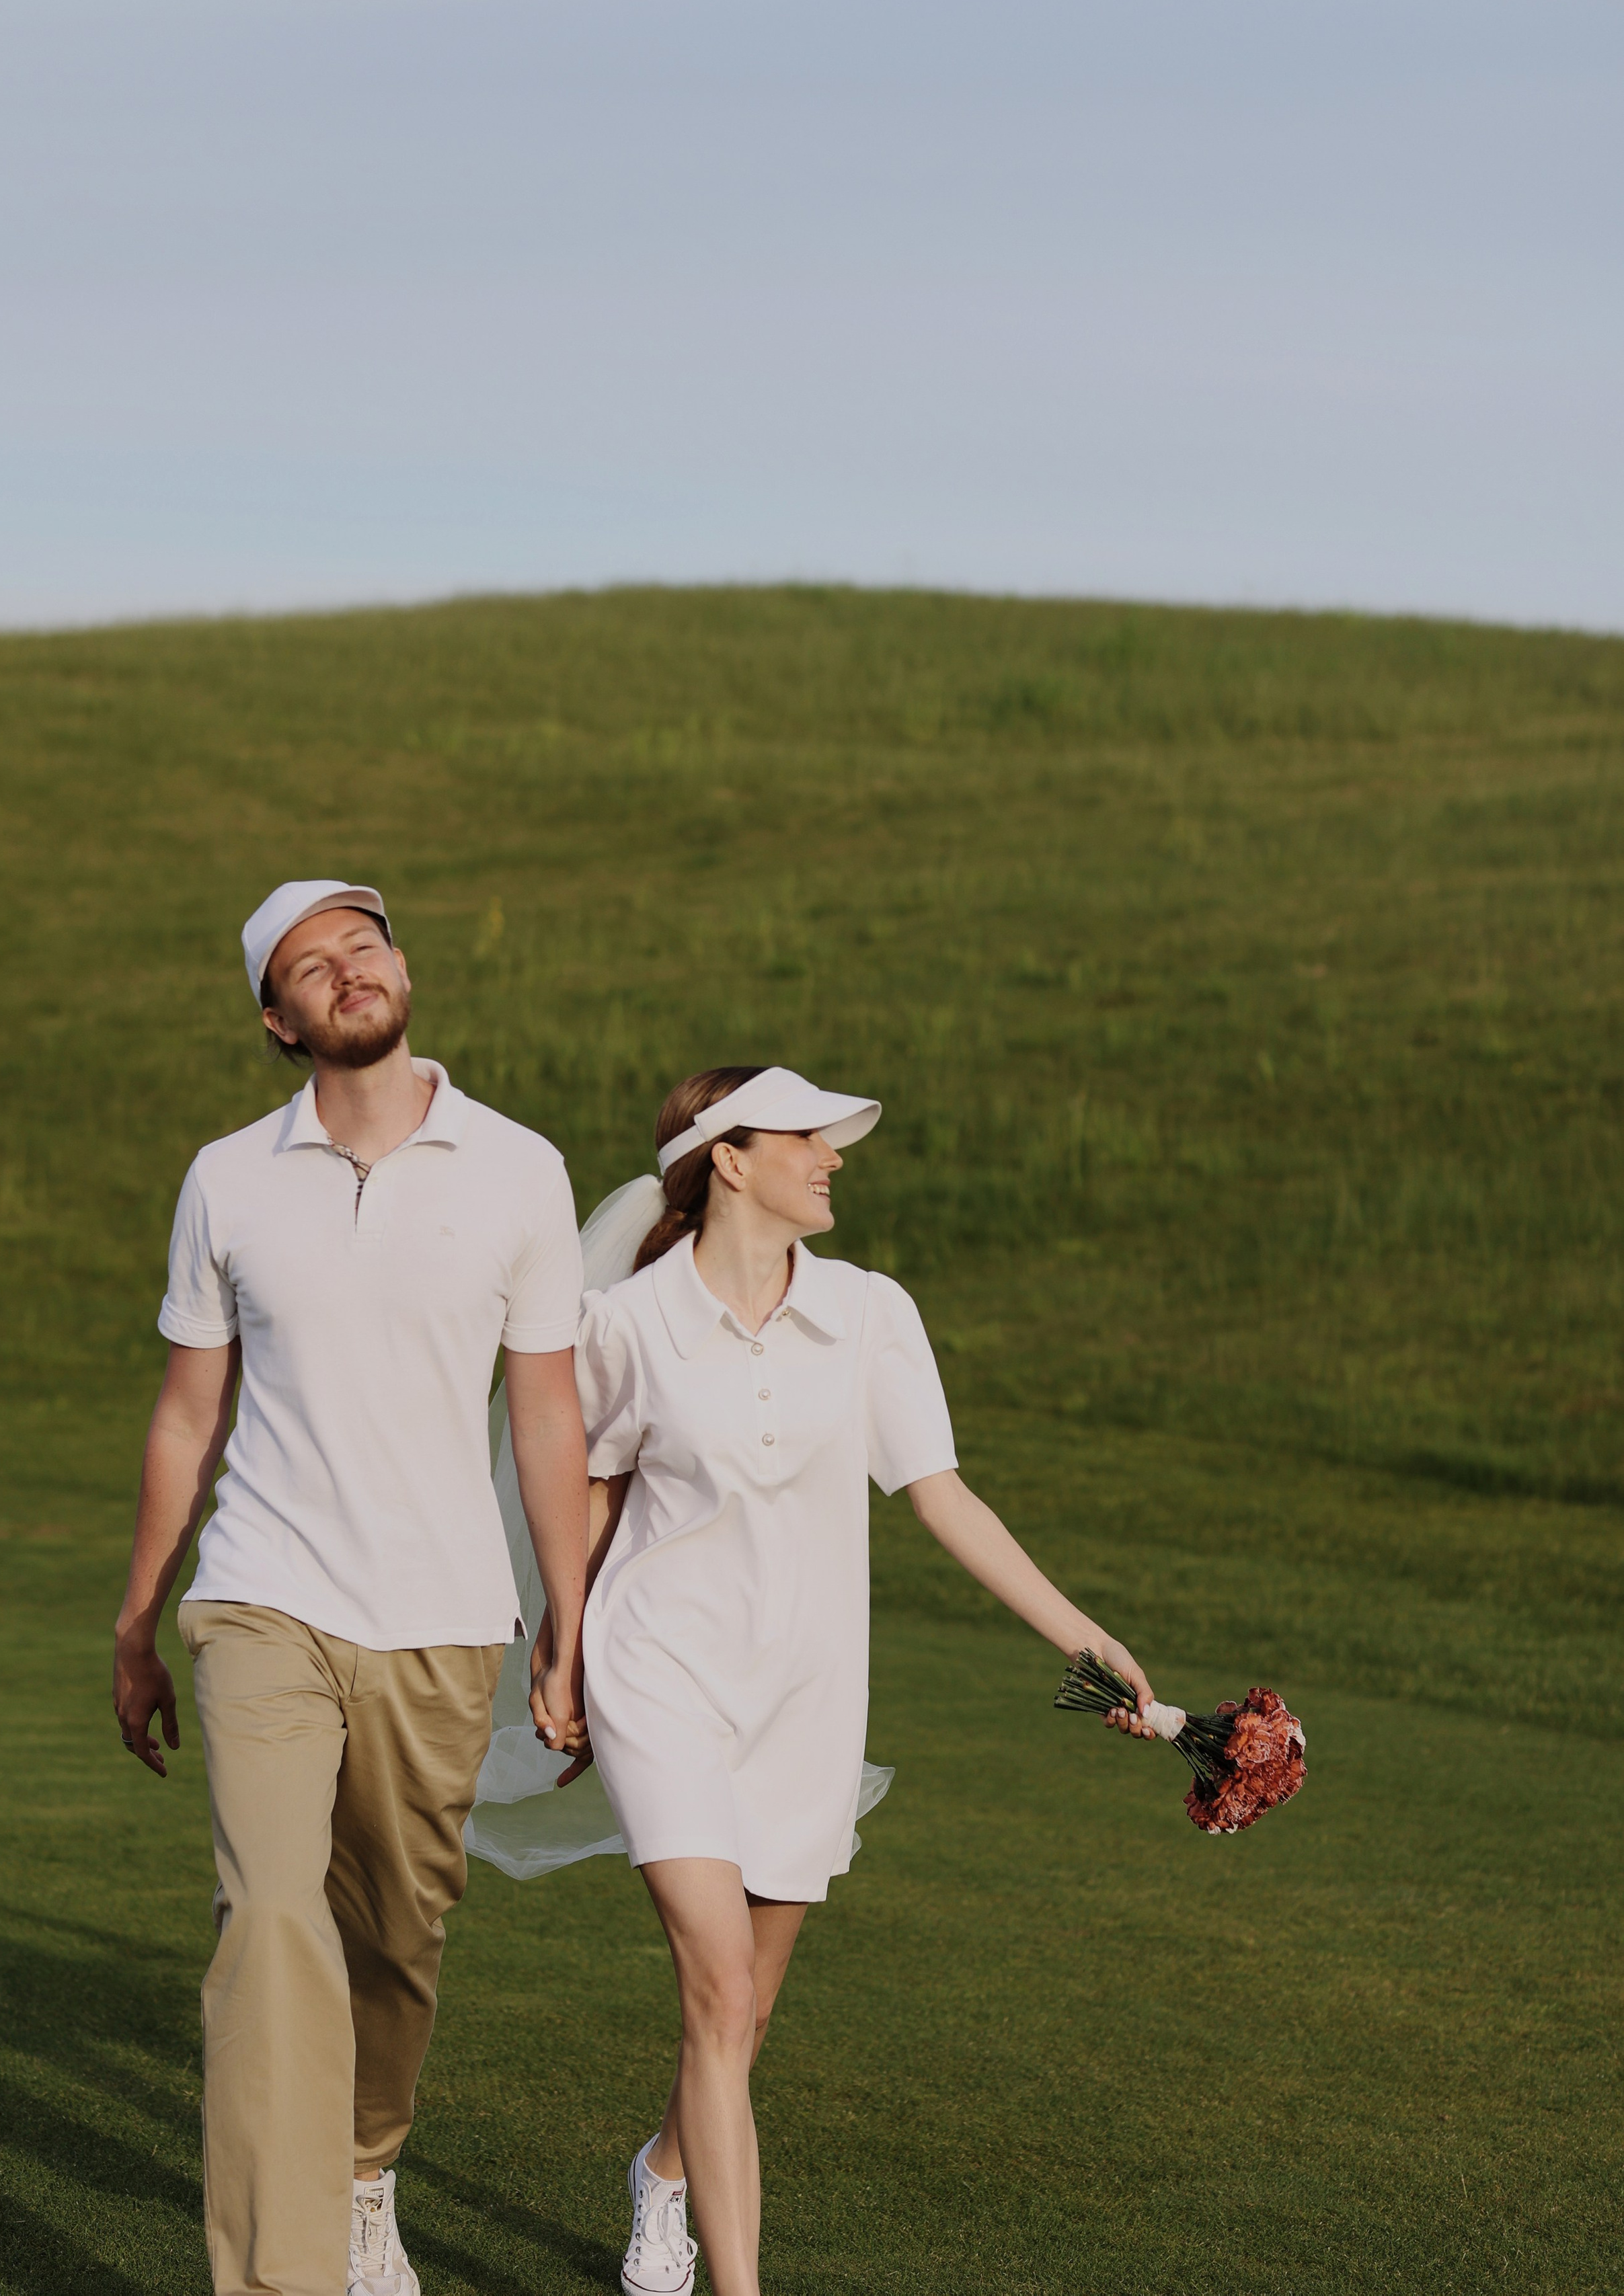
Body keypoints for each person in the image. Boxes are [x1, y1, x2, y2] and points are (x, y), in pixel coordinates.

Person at [552, 1065, 1163, 2296]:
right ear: (730, 1159)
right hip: (659, 1670)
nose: (832, 1156)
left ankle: (664, 2174)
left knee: (746, 2015)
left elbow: (944, 1496)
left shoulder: (873, 1311)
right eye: (806, 1136)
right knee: (718, 1987)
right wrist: (562, 1653)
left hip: (810, 1694)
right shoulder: (625, 1323)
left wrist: (1082, 1636)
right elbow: (593, 1494)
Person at [111, 879, 590, 2296]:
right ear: (280, 1021)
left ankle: (365, 2166)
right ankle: (283, 2276)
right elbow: (187, 1416)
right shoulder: (227, 1178)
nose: (345, 971)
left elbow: (547, 1413)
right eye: (309, 965)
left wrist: (568, 1617)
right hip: (262, 1595)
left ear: (399, 967)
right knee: (269, 1921)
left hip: (443, 1614)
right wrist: (137, 1623)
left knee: (396, 1933)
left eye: (361, 945)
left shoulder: (520, 1169)